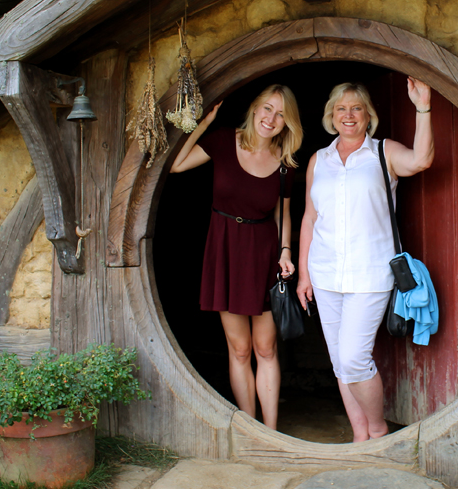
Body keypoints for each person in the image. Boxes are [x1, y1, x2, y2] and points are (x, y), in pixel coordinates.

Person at [296, 78, 434, 442]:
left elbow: (421, 160)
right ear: (331, 115)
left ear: (368, 115)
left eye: (356, 108)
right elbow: (310, 217)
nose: (348, 115)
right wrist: (303, 275)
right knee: (341, 362)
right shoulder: (318, 160)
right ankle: (360, 436)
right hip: (324, 273)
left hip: (370, 272)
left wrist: (423, 107)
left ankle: (377, 428)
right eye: (341, 108)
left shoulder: (382, 152)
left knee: (355, 358)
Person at [170, 84, 303, 430]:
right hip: (225, 248)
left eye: (280, 114)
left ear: (287, 123)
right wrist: (204, 122)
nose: (271, 119)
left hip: (263, 253)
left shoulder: (285, 164)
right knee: (240, 349)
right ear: (255, 109)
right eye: (267, 109)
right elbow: (176, 165)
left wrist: (285, 251)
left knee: (266, 348)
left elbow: (283, 214)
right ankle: (250, 428)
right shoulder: (224, 140)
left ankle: (271, 432)